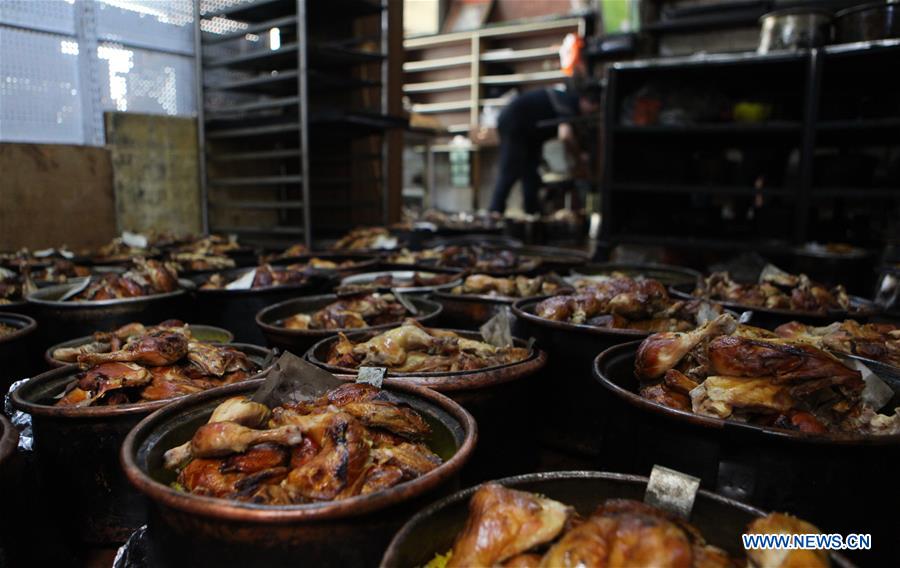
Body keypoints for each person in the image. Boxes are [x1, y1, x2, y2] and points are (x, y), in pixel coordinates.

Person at [488, 82, 602, 215]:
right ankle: (494, 211)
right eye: (593, 109)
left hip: (529, 134)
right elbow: (565, 135)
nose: (590, 114)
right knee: (510, 169)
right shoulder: (569, 102)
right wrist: (579, 161)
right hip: (515, 123)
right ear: (586, 101)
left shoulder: (571, 103)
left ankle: (532, 212)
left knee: (530, 171)